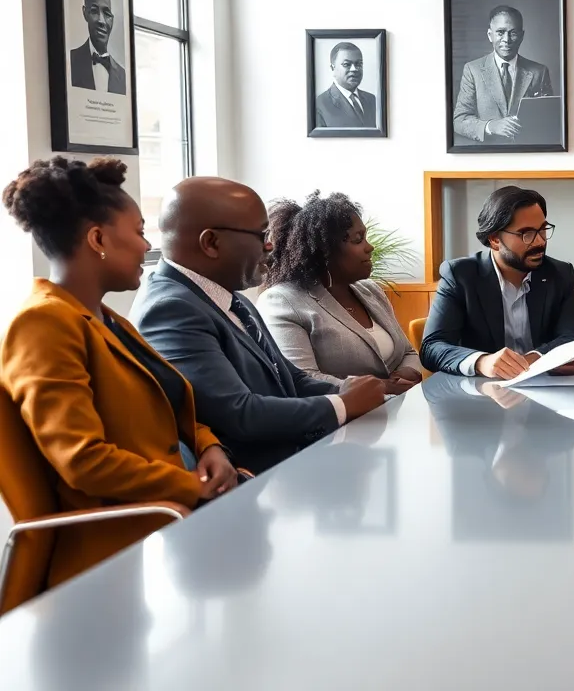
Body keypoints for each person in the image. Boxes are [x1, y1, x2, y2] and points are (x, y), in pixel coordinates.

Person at [0, 157, 238, 588]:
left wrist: (210, 448)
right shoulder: (44, 324)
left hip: (164, 530)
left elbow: (170, 408)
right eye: (140, 231)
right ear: (98, 238)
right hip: (111, 554)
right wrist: (188, 485)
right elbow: (83, 461)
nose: (148, 247)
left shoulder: (108, 320)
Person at [131, 177, 386, 474]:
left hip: (295, 460)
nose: (270, 245)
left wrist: (349, 388)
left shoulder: (232, 298)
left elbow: (291, 380)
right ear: (211, 242)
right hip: (254, 481)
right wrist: (341, 405)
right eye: (261, 234)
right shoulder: (170, 309)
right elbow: (239, 414)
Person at [257, 191, 423, 393]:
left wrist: (403, 374)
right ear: (325, 250)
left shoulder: (370, 290)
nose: (369, 247)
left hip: (393, 413)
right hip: (336, 419)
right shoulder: (281, 301)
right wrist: (381, 388)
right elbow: (302, 378)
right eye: (358, 239)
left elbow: (407, 351)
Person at [420, 186, 574, 379]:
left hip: (546, 390)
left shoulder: (560, 274)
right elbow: (432, 347)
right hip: (480, 395)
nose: (540, 242)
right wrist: (482, 361)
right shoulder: (461, 276)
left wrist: (533, 359)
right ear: (494, 239)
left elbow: (572, 337)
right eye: (527, 234)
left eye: (542, 230)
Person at [452, 5, 555, 145]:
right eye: (500, 32)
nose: (506, 39)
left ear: (522, 36)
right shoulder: (472, 70)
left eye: (513, 33)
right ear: (490, 35)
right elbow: (459, 120)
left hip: (529, 153)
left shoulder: (539, 71)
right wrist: (490, 126)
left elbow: (551, 119)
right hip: (488, 156)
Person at [69, 0, 127, 94]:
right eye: (94, 11)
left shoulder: (123, 75)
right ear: (85, 13)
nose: (101, 21)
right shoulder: (70, 61)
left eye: (107, 14)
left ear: (112, 19)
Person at [314, 42, 377, 129]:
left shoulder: (372, 100)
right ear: (333, 68)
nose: (354, 69)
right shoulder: (320, 104)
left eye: (358, 64)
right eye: (346, 64)